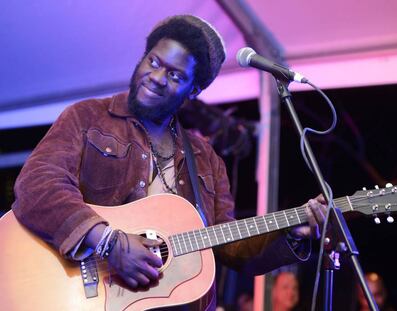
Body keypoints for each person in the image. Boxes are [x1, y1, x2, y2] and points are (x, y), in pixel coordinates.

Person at [12, 14, 327, 310]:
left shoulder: (206, 159)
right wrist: (108, 242)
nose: (157, 77)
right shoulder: (88, 117)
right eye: (154, 62)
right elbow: (37, 185)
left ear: (194, 90)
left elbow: (230, 246)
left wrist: (292, 230)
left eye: (175, 75)